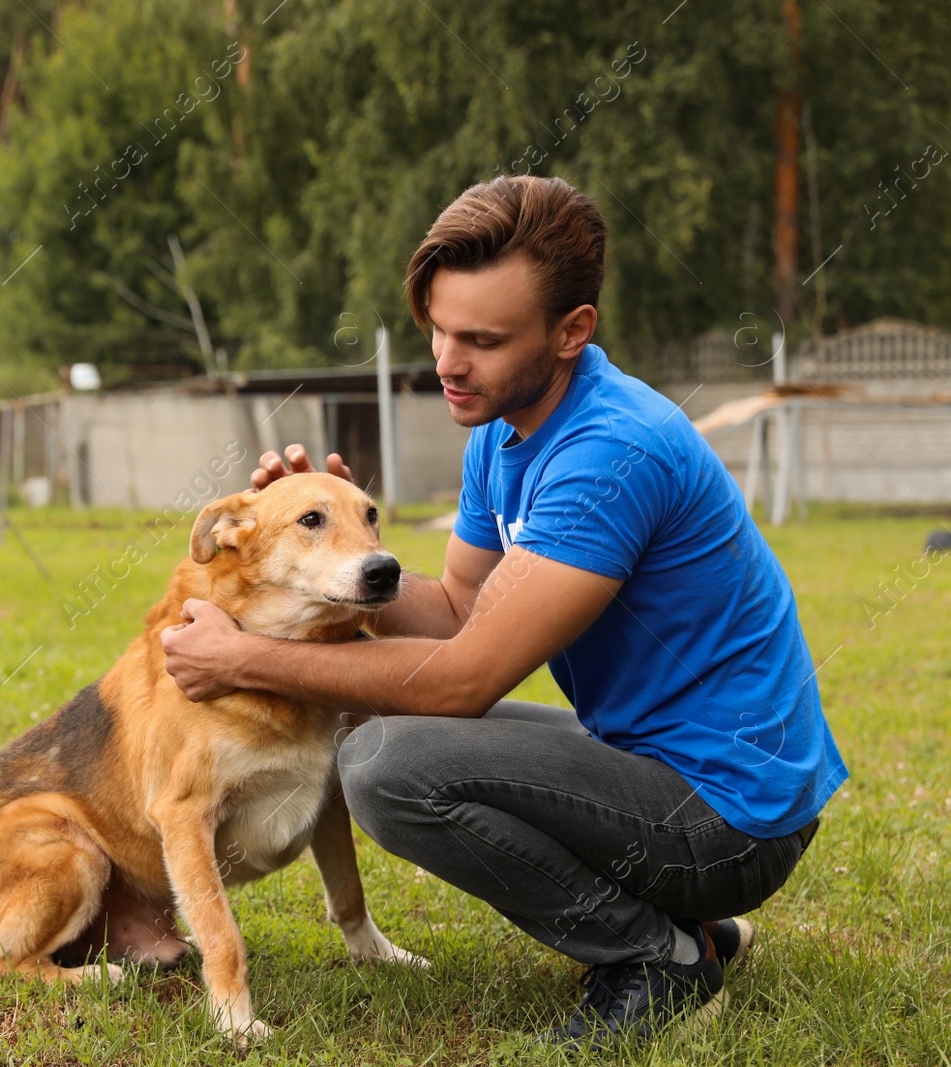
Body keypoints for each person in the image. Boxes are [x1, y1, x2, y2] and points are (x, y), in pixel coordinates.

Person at [159, 175, 847, 1050]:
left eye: (481, 339)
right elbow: (454, 610)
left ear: (572, 332)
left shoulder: (610, 451)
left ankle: (655, 957)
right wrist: (331, 564)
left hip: (732, 816)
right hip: (648, 766)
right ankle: (693, 934)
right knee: (389, 738)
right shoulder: (503, 428)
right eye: (439, 328)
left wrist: (243, 659)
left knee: (385, 760)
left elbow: (462, 678)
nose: (447, 360)